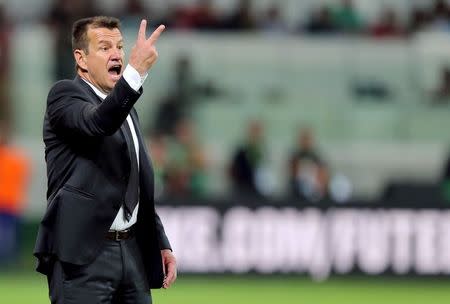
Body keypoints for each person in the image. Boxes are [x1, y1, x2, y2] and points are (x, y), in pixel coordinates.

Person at [33, 16, 177, 304]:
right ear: (81, 59)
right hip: (85, 256)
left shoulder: (126, 109)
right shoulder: (65, 95)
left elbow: (136, 182)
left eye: (120, 47)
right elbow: (98, 123)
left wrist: (160, 242)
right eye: (104, 47)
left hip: (132, 252)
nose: (116, 54)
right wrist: (134, 72)